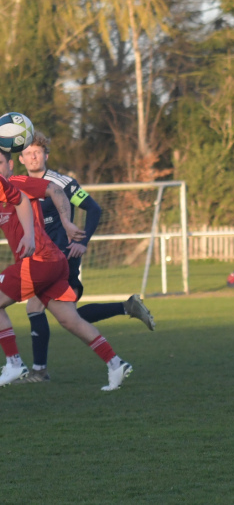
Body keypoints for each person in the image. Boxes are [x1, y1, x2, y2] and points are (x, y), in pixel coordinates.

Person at [15, 133, 155, 384]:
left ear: (46, 155)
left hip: (62, 256)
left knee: (36, 306)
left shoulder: (63, 183)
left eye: (38, 151)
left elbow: (93, 208)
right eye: (28, 152)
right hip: (42, 257)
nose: (33, 156)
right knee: (70, 317)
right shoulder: (20, 184)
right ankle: (127, 308)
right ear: (21, 158)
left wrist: (81, 241)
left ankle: (39, 372)